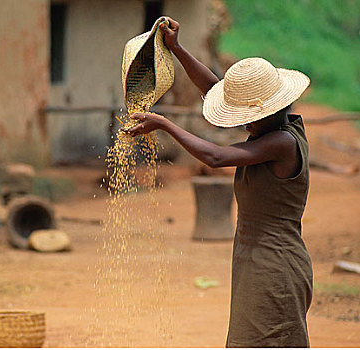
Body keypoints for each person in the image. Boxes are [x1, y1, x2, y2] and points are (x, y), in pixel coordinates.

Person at [124, 17, 313, 347]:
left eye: (248, 115)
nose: (244, 122)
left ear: (272, 108)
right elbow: (214, 91)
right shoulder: (270, 126)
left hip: (276, 264)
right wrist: (177, 49)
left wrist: (166, 126)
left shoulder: (281, 142)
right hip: (254, 258)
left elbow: (217, 157)